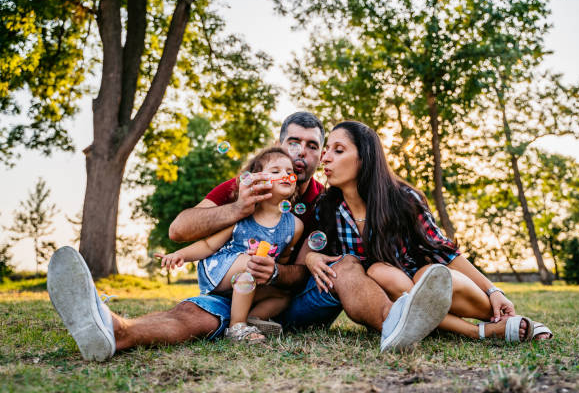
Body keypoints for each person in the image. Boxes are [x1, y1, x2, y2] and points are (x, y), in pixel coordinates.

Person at [47, 112, 452, 362]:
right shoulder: (249, 185)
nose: (302, 153)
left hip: (294, 300)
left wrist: (284, 268)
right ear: (279, 144)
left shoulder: (326, 200)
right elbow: (179, 230)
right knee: (192, 314)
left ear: (321, 154)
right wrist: (238, 209)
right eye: (293, 141)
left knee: (345, 268)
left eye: (314, 146)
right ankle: (113, 331)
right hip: (232, 294)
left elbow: (326, 262)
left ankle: (395, 324)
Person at [301, 120, 552, 343]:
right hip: (389, 299)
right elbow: (322, 251)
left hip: (430, 283)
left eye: (338, 150)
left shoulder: (402, 198)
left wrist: (493, 290)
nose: (325, 158)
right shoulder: (328, 207)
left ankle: (499, 316)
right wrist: (312, 256)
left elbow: (444, 251)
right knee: (379, 272)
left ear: (365, 157)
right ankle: (479, 332)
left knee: (432, 275)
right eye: (326, 150)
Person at [156, 147, 304, 343]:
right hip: (221, 270)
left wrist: (275, 272)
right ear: (256, 180)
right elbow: (209, 245)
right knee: (250, 265)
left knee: (283, 294)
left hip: (250, 279)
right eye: (276, 171)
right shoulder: (244, 213)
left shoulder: (294, 225)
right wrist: (180, 255)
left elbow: (282, 260)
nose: (286, 175)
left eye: (289, 172)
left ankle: (254, 319)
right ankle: (236, 327)